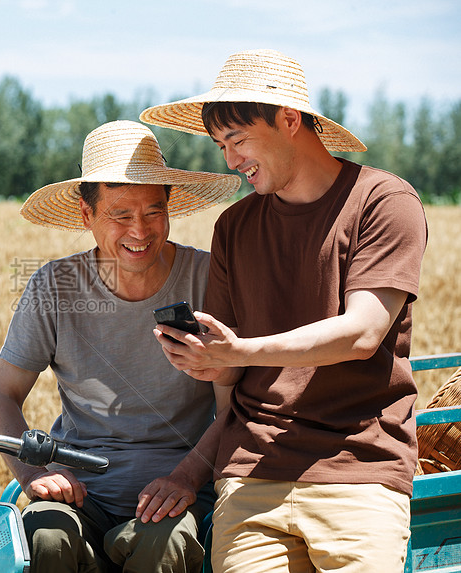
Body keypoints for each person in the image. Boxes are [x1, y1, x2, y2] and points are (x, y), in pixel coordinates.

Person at [138, 49, 429, 572]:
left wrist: (242, 349)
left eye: (238, 139)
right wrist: (208, 360)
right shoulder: (235, 226)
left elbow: (362, 332)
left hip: (360, 469)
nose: (230, 161)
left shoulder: (384, 201)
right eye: (221, 145)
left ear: (289, 119)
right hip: (252, 475)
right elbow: (229, 382)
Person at [0, 120, 241, 573]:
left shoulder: (210, 278)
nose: (139, 231)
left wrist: (187, 477)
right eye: (120, 215)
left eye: (154, 212)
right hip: (80, 493)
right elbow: (1, 396)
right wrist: (34, 475)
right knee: (45, 538)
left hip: (177, 493)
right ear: (87, 216)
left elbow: (233, 406)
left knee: (163, 547)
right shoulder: (55, 286)